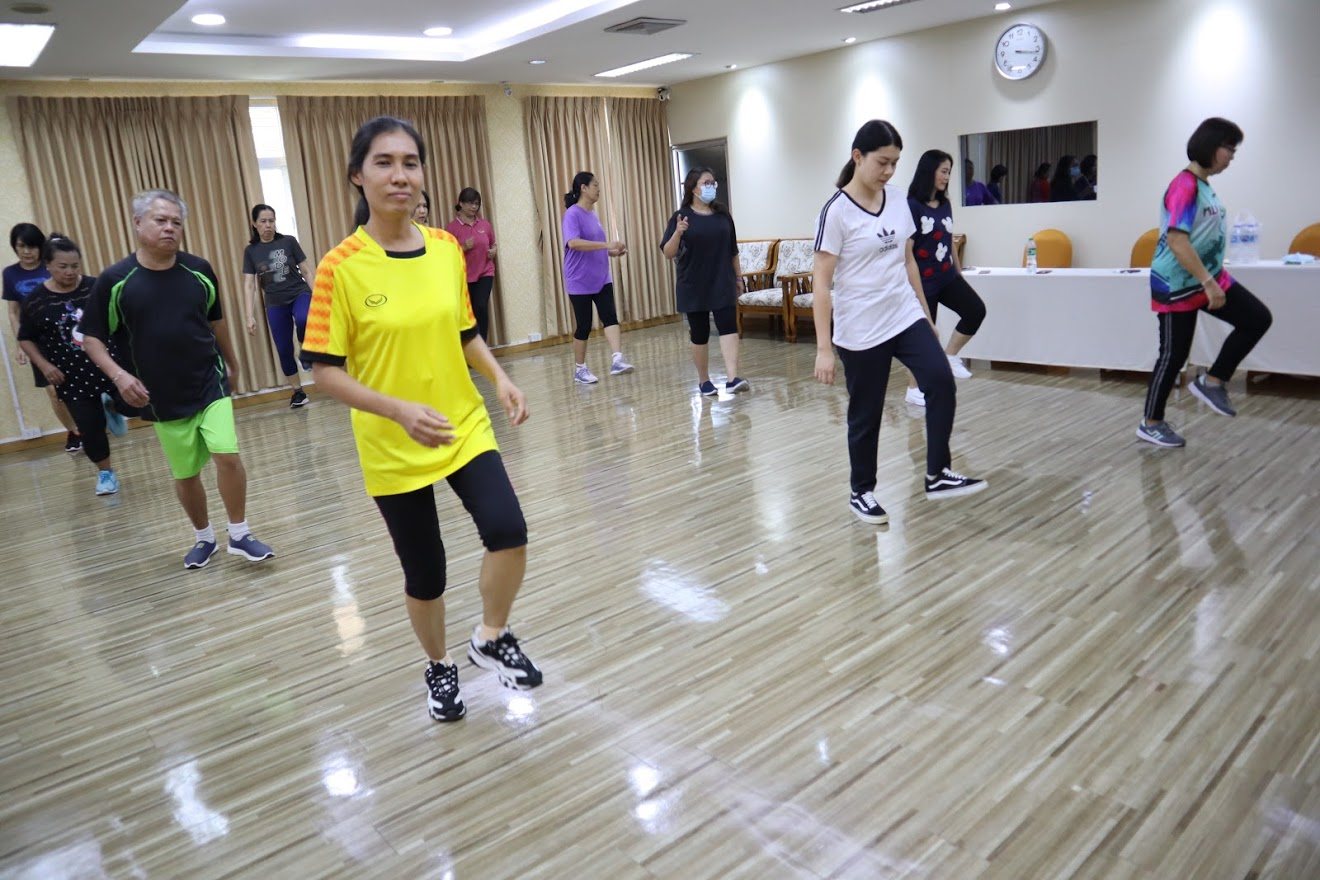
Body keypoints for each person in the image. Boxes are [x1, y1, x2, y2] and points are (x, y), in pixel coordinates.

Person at [304, 116, 541, 723]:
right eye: (383, 163)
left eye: (410, 162)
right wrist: (399, 409)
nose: (399, 175)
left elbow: (465, 331)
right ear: (357, 177)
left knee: (508, 530)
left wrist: (500, 377)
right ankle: (439, 664)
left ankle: (490, 636)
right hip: (391, 440)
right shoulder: (339, 266)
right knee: (426, 571)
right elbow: (324, 371)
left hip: (461, 422)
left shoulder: (444, 248)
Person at [80, 189, 275, 569]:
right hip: (160, 395)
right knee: (186, 474)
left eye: (176, 222)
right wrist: (120, 377)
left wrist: (232, 363)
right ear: (138, 223)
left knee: (227, 455)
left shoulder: (198, 269)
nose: (170, 228)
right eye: (161, 220)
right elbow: (92, 339)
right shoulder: (115, 281)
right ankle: (204, 538)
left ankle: (239, 534)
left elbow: (216, 321)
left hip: (208, 380)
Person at [812, 120, 987, 525]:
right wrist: (823, 348)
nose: (889, 171)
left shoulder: (896, 199)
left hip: (903, 314)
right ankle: (861, 491)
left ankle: (937, 473)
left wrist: (925, 314)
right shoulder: (836, 211)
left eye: (895, 163)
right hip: (861, 326)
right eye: (882, 162)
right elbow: (821, 283)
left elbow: (908, 261)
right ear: (858, 157)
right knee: (867, 412)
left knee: (940, 381)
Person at [1138, 117, 1272, 448]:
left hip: (1207, 276)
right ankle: (1151, 423)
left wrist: (1211, 279)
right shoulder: (1183, 186)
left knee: (1257, 318)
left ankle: (1213, 381)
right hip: (1177, 282)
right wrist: (1209, 283)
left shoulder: (1204, 186)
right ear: (1212, 146)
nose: (1232, 157)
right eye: (1230, 149)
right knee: (1173, 355)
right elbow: (1177, 240)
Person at [16, 234, 137, 495]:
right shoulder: (36, 300)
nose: (70, 272)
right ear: (47, 265)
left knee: (135, 403)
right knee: (90, 428)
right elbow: (25, 338)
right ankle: (106, 473)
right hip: (71, 376)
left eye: (75, 266)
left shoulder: (96, 287)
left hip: (109, 365)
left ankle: (112, 406)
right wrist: (45, 366)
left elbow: (120, 318)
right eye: (63, 266)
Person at [904, 149, 989, 404]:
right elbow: (907, 254)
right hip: (923, 282)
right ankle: (913, 389)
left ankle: (950, 355)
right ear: (929, 171)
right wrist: (916, 292)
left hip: (946, 276)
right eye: (943, 171)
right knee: (923, 337)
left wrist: (958, 271)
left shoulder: (945, 204)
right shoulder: (911, 206)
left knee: (976, 310)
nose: (947, 177)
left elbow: (948, 239)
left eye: (949, 172)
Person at [660, 167, 748, 396]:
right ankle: (704, 381)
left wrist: (738, 277)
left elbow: (733, 250)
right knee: (700, 333)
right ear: (693, 188)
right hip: (693, 283)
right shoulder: (681, 216)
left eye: (713, 183)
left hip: (722, 279)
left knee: (728, 326)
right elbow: (668, 252)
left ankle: (732, 378)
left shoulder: (723, 215)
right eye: (706, 183)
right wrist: (678, 232)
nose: (711, 186)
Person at [5, 222, 82, 452]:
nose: (27, 252)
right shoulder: (10, 274)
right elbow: (13, 311)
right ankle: (75, 432)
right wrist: (21, 343)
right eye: (21, 246)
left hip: (64, 334)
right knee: (54, 391)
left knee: (78, 385)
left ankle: (91, 425)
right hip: (36, 341)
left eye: (32, 246)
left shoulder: (53, 266)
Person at [562, 171, 634, 384]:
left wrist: (612, 252)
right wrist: (606, 245)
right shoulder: (572, 214)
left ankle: (617, 359)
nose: (599, 189)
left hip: (601, 277)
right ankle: (580, 369)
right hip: (579, 279)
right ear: (583, 188)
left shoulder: (593, 214)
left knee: (610, 316)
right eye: (595, 185)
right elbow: (573, 243)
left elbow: (595, 247)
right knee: (584, 325)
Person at [242, 204, 312, 408]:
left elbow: (307, 271)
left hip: (299, 293)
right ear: (254, 224)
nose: (268, 225)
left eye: (271, 221)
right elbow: (249, 285)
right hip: (275, 302)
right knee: (283, 349)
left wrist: (318, 296)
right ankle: (298, 392)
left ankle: (306, 350)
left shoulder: (288, 241)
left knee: (304, 318)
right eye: (263, 221)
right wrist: (249, 315)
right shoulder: (251, 251)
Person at [444, 187, 497, 341]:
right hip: (464, 276)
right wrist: (464, 247)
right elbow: (447, 255)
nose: (474, 207)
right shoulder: (451, 228)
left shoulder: (485, 225)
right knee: (469, 311)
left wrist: (493, 251)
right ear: (461, 203)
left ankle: (483, 344)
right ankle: (471, 345)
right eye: (470, 203)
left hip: (485, 272)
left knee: (481, 306)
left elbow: (493, 244)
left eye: (477, 204)